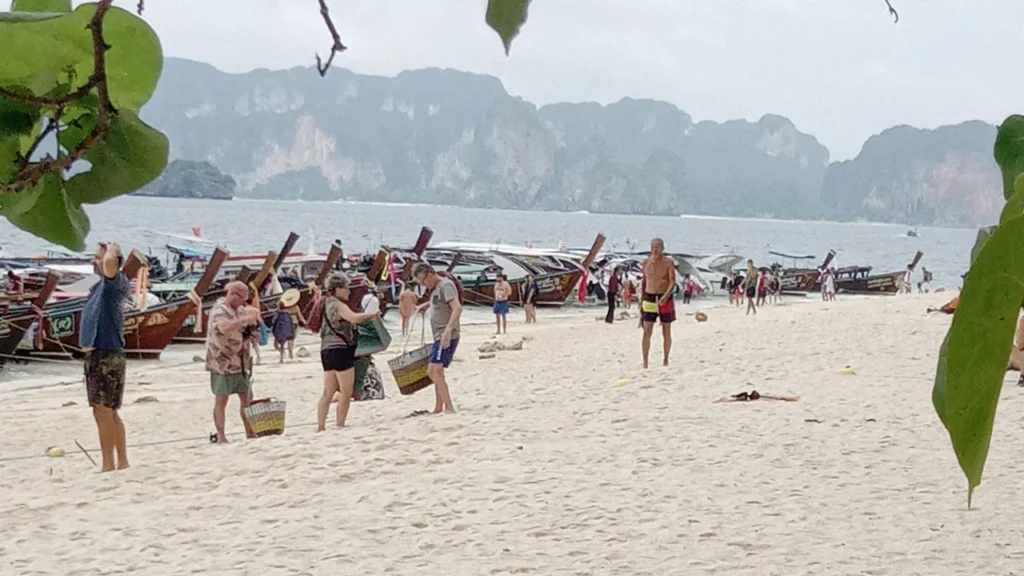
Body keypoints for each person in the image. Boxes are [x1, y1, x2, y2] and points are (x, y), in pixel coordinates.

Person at [80, 242, 131, 472]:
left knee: (104, 410)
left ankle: (109, 464)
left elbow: (111, 263)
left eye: (97, 257)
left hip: (107, 353)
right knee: (106, 410)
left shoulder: (115, 283)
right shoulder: (99, 287)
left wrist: (111, 248)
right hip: (98, 354)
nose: (95, 261)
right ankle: (120, 461)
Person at [316, 273, 378, 430]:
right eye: (346, 288)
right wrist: (372, 316)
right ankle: (340, 424)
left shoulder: (325, 303)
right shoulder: (338, 305)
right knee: (346, 391)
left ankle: (321, 426)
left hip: (325, 350)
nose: (349, 292)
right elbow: (354, 318)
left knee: (328, 391)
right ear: (337, 289)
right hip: (340, 349)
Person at [206, 280, 260, 444]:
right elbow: (223, 328)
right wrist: (242, 321)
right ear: (233, 295)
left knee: (247, 398)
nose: (243, 303)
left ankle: (250, 432)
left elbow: (240, 331)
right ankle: (221, 435)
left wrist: (250, 333)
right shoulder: (219, 310)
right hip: (222, 362)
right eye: (242, 299)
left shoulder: (239, 309)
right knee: (221, 399)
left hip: (241, 361)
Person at [413, 262, 461, 413]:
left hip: (446, 335)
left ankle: (449, 407)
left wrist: (447, 331)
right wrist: (425, 305)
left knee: (435, 371)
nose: (424, 285)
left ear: (430, 274)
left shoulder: (446, 285)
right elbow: (440, 302)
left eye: (423, 281)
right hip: (439, 335)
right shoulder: (435, 289)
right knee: (435, 371)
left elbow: (457, 307)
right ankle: (439, 406)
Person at [640, 238, 676, 369]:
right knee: (647, 331)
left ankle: (666, 359)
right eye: (653, 247)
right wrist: (641, 301)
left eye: (658, 247)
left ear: (662, 248)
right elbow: (644, 282)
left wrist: (666, 296)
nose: (655, 250)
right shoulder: (645, 263)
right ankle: (645, 362)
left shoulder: (668, 263)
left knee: (666, 330)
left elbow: (672, 282)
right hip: (649, 297)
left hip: (664, 297)